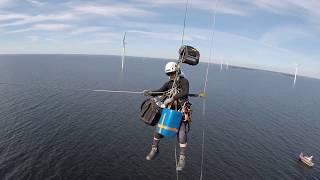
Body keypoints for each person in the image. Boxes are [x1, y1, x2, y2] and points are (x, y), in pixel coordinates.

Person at [143, 61, 191, 171]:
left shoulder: (184, 81)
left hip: (181, 111)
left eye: (172, 73)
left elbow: (185, 92)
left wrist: (173, 98)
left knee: (181, 134)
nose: (170, 75)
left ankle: (182, 158)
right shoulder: (169, 83)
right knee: (159, 129)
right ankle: (154, 149)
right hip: (170, 110)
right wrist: (150, 92)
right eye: (168, 74)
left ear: (177, 71)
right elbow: (160, 91)